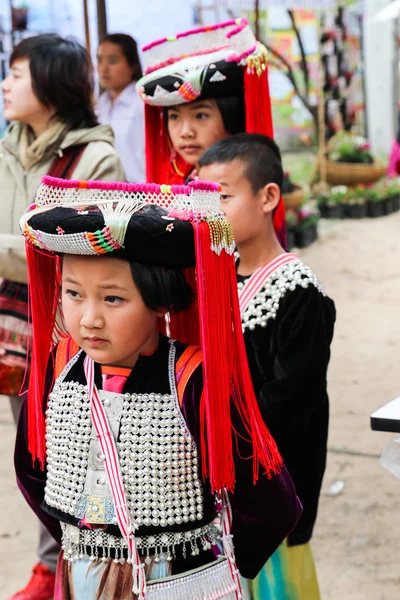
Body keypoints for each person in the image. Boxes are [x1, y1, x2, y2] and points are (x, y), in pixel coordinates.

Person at [15, 175, 301, 599]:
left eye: (112, 299)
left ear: (159, 300)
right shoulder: (57, 367)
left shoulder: (194, 379)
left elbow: (270, 503)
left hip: (182, 582)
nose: (89, 318)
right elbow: (33, 470)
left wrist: (217, 562)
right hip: (81, 577)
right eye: (73, 293)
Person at [0, 34, 125, 600]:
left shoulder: (95, 157)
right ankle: (49, 563)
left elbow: (77, 248)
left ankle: (71, 566)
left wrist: (16, 247)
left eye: (18, 74)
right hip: (15, 327)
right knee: (32, 445)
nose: (6, 84)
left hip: (76, 328)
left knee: (76, 448)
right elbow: (32, 241)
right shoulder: (7, 148)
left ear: (51, 84)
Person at [198, 133, 336, 600]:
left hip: (269, 484)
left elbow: (294, 400)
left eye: (221, 196)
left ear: (268, 197)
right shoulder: (213, 276)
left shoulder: (299, 294)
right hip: (214, 476)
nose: (209, 212)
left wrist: (222, 435)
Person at [136, 17, 286, 247]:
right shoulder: (173, 187)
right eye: (175, 117)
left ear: (230, 119)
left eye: (201, 115)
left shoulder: (248, 186)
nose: (185, 132)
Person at [97, 34, 145, 182]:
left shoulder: (141, 103)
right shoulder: (102, 103)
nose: (103, 69)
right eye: (99, 60)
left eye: (112, 61)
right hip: (108, 191)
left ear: (133, 65)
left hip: (140, 191)